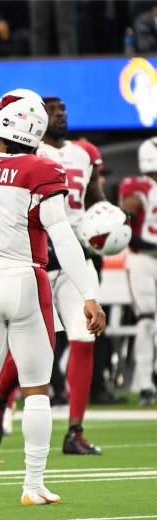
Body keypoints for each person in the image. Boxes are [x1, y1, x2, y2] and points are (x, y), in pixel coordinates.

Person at [0, 90, 105, 506]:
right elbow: (63, 237)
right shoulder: (42, 168)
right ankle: (32, 485)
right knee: (37, 389)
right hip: (25, 279)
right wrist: (88, 292)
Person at [0, 95, 107, 455]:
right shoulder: (24, 153)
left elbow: (95, 201)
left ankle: (75, 431)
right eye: (52, 111)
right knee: (30, 349)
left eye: (63, 110)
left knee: (85, 338)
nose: (60, 116)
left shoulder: (85, 153)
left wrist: (110, 221)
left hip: (75, 259)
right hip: (35, 261)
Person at [119, 137, 157, 407]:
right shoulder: (136, 187)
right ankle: (145, 384)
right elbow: (129, 233)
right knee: (145, 319)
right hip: (142, 258)